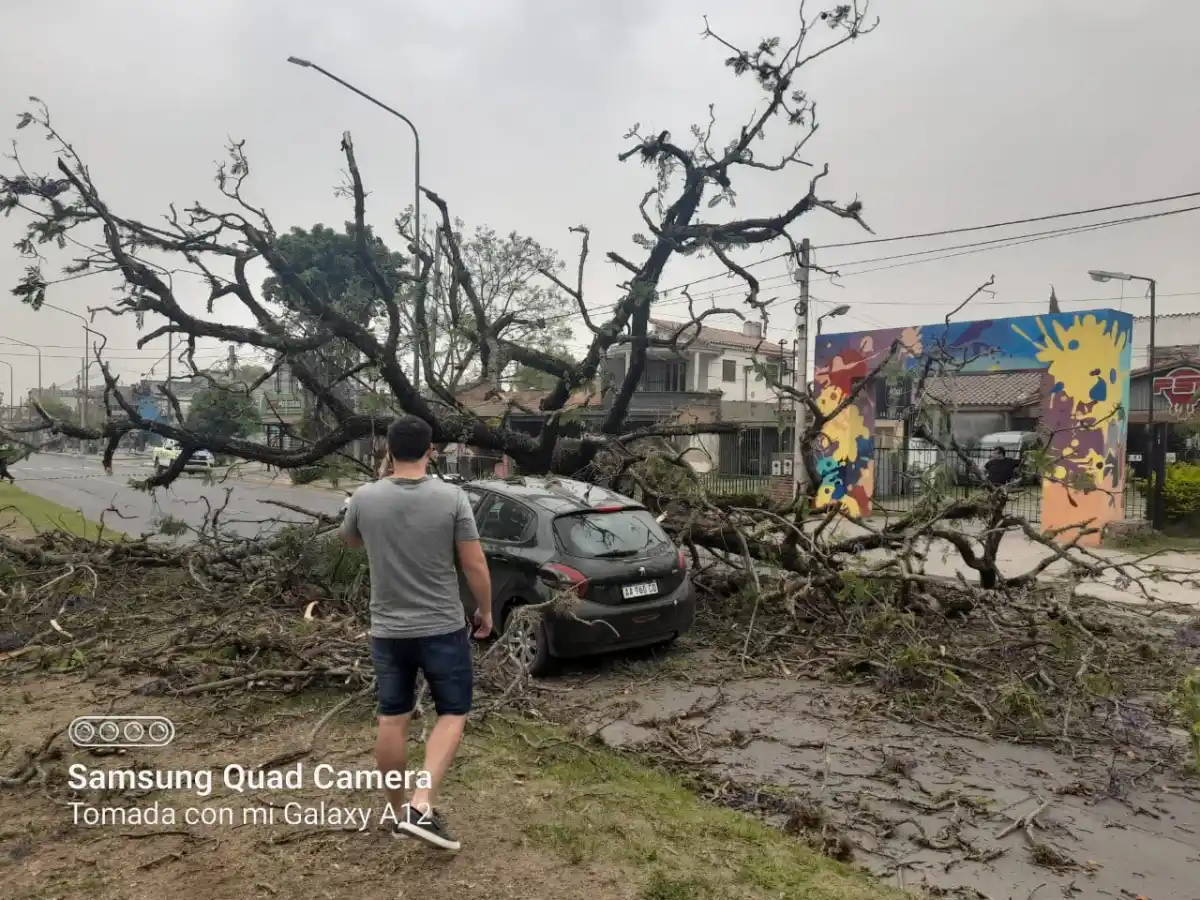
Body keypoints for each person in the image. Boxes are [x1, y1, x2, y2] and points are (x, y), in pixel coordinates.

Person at [340, 415, 493, 852]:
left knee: (392, 717)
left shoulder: (364, 498)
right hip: (442, 626)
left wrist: (369, 496)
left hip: (387, 629)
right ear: (432, 451)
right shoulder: (452, 497)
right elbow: (475, 564)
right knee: (453, 711)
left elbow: (350, 541)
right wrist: (484, 611)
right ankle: (421, 804)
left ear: (388, 450)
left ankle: (397, 812)